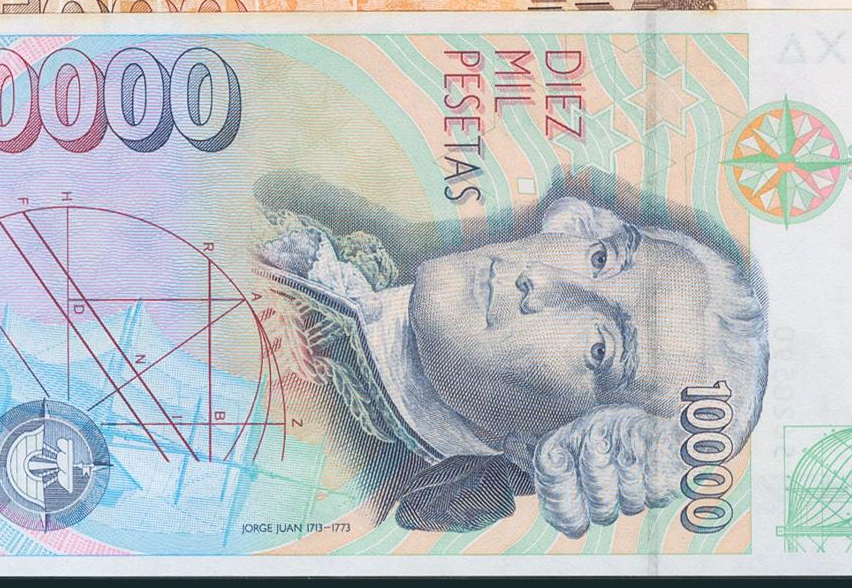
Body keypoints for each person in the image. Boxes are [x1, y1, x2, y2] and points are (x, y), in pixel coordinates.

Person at [255, 174, 768, 538]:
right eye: (601, 258)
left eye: (600, 347)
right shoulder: (326, 221)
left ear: (544, 446)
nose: (540, 279)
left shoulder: (326, 483)